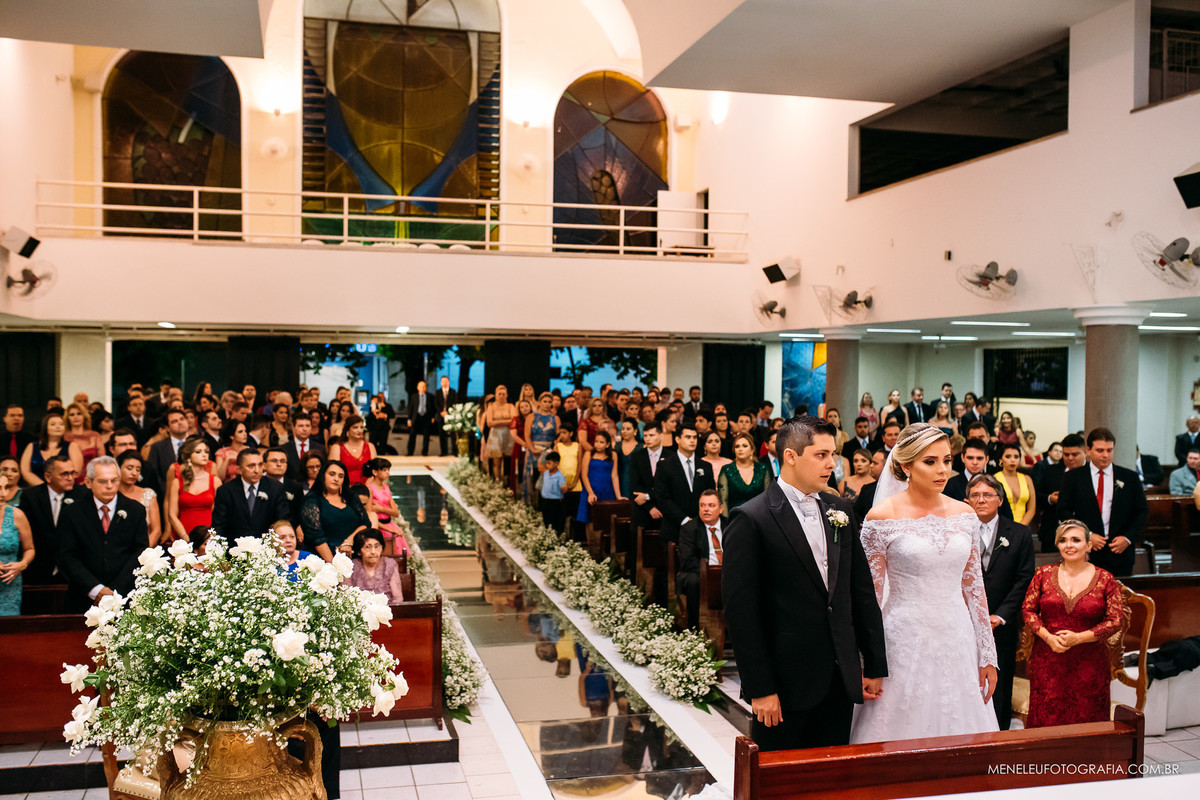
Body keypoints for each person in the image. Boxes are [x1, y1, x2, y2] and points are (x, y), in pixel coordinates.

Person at [723, 415, 887, 750]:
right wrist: (760, 688)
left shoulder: (838, 507)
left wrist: (873, 663)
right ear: (791, 456)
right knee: (780, 781)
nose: (832, 464)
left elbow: (860, 591)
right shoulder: (752, 518)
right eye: (821, 455)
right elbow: (742, 614)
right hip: (784, 682)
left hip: (840, 676)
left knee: (829, 778)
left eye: (833, 454)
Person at [850, 423, 998, 743]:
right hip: (902, 636)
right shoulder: (881, 517)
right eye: (930, 462)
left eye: (946, 460)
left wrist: (987, 654)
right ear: (906, 466)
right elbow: (869, 597)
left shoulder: (965, 515)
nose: (943, 469)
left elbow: (975, 590)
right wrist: (868, 661)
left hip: (957, 635)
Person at [1021, 520, 1125, 728]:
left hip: (1090, 663)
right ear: (1057, 545)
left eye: (1076, 540)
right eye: (1063, 540)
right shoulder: (1042, 574)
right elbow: (1028, 610)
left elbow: (1116, 620)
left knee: (1087, 718)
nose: (1069, 545)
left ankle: (1087, 761)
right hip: (1048, 659)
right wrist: (1048, 637)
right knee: (1047, 718)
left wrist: (1079, 637)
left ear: (1088, 545)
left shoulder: (1105, 578)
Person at [965, 474, 1034, 730]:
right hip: (964, 621)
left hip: (1001, 626)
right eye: (975, 495)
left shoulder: (1018, 533)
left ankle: (999, 735)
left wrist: (1001, 615)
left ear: (1000, 500)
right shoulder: (958, 530)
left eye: (987, 495)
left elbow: (1024, 578)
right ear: (966, 500)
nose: (981, 500)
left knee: (1000, 685)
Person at [56, 456, 149, 612]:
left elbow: (140, 552)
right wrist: (96, 589)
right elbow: (66, 556)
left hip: (125, 597)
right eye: (102, 481)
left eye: (114, 480)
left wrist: (115, 592)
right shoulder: (72, 512)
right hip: (84, 597)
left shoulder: (135, 510)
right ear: (88, 482)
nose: (109, 486)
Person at [1055, 427, 1148, 577]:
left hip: (1120, 553)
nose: (1105, 455)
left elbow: (1141, 511)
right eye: (1100, 451)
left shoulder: (1129, 477)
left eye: (1109, 450)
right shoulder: (1073, 477)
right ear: (1089, 450)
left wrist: (1128, 538)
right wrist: (1086, 535)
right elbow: (1063, 510)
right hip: (1086, 552)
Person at [16, 454, 83, 591]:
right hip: (38, 569)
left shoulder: (82, 495)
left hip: (72, 572)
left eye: (72, 473)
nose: (70, 478)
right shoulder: (31, 497)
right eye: (64, 474)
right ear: (48, 477)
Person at [210, 449, 290, 543]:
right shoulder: (226, 491)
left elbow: (282, 521)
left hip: (266, 549)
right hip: (234, 549)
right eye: (251, 466)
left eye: (260, 465)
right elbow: (219, 526)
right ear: (239, 470)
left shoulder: (275, 488)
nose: (257, 470)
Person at [654, 425, 716, 544]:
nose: (692, 440)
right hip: (673, 528)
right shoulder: (664, 466)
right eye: (688, 437)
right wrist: (684, 520)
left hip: (701, 527)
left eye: (694, 437)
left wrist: (699, 519)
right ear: (677, 439)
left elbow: (711, 494)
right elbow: (662, 498)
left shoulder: (705, 466)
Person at [300, 460, 371, 562]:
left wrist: (349, 541)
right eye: (332, 474)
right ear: (323, 476)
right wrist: (334, 566)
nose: (336, 479)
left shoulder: (351, 497)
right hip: (323, 559)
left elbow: (365, 523)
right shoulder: (312, 500)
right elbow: (317, 538)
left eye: (341, 476)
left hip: (353, 554)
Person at [676, 489, 726, 630]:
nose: (706, 509)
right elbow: (688, 561)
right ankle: (695, 629)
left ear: (721, 508)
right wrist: (711, 571)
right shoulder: (689, 529)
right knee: (694, 581)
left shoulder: (731, 526)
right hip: (699, 573)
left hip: (727, 572)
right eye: (702, 505)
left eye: (711, 505)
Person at [1035, 432, 1086, 550]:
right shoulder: (1051, 471)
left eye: (1075, 454)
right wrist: (1050, 498)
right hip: (1053, 531)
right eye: (1066, 454)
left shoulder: (1091, 473)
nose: (1070, 458)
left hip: (1084, 532)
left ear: (1085, 452)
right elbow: (1037, 495)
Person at [164, 437, 219, 543]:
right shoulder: (177, 482)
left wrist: (209, 536)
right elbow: (172, 514)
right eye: (198, 452)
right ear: (188, 457)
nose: (204, 455)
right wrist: (184, 536)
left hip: (208, 535)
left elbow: (218, 512)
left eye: (206, 452)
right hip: (183, 532)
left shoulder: (215, 481)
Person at [0, 470, 34, 616]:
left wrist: (22, 564)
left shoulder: (17, 515)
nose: (3, 494)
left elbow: (30, 549)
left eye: (6, 487)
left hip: (10, 586)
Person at [21, 411, 84, 486]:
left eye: (61, 424)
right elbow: (25, 471)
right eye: (53, 424)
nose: (58, 427)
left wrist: (55, 487)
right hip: (36, 489)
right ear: (45, 427)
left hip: (64, 488)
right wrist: (44, 487)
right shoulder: (32, 446)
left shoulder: (72, 446)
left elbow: (76, 471)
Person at [344, 529, 405, 604]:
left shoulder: (389, 565)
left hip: (386, 612)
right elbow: (345, 597)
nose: (373, 552)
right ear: (359, 551)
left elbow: (397, 598)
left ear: (382, 548)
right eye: (368, 547)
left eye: (377, 546)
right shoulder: (350, 566)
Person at [116, 451, 163, 547]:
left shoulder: (148, 494)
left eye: (138, 469)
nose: (134, 473)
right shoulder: (111, 494)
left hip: (145, 549)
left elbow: (156, 531)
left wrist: (143, 553)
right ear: (118, 469)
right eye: (129, 468)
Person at [364, 458, 408, 555]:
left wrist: (381, 509)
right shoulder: (370, 489)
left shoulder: (386, 487)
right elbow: (369, 514)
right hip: (378, 525)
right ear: (375, 472)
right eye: (384, 470)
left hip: (389, 523)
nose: (388, 473)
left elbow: (396, 513)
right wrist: (389, 528)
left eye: (388, 470)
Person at [577, 431, 622, 524]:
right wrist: (590, 493)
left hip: (607, 490)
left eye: (601, 442)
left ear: (607, 444)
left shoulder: (613, 455)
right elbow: (584, 475)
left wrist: (618, 496)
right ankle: (591, 539)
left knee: (606, 521)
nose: (598, 444)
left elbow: (614, 476)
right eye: (596, 441)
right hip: (591, 490)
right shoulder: (588, 454)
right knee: (589, 520)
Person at [628, 421, 664, 535]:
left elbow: (670, 487)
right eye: (646, 436)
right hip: (642, 508)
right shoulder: (637, 456)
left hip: (664, 508)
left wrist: (648, 496)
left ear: (660, 435)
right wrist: (650, 507)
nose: (648, 439)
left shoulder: (671, 456)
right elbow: (635, 485)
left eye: (651, 435)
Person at [718, 432, 769, 512]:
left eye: (744, 446)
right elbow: (723, 500)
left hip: (758, 518)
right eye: (737, 446)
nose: (740, 449)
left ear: (752, 450)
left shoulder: (762, 469)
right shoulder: (726, 470)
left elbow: (767, 498)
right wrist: (727, 523)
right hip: (734, 519)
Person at [146, 409, 190, 496]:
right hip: (167, 494)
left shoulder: (199, 443)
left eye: (182, 419)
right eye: (174, 421)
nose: (180, 422)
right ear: (167, 428)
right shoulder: (157, 447)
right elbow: (154, 474)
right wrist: (168, 490)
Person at [996, 442, 1036, 526]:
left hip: (1023, 527)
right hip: (1001, 526)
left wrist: (1020, 528)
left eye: (1016, 457)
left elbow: (1031, 509)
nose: (1013, 460)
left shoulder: (1027, 479)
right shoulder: (994, 479)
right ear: (1000, 460)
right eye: (1008, 456)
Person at [328, 416, 374, 486]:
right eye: (355, 427)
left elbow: (376, 471)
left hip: (367, 489)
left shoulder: (370, 446)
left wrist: (367, 488)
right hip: (343, 488)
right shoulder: (337, 447)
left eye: (361, 427)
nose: (359, 430)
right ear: (347, 430)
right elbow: (333, 473)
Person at [64, 401, 104, 473]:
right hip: (69, 477)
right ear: (67, 418)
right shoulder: (64, 437)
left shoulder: (95, 436)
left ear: (84, 416)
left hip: (92, 476)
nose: (76, 417)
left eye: (79, 414)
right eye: (72, 415)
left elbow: (102, 461)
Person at [539, 452, 568, 533]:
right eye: (546, 463)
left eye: (549, 463)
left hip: (555, 502)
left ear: (556, 463)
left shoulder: (560, 476)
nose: (547, 465)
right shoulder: (545, 473)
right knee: (546, 521)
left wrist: (564, 488)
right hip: (545, 500)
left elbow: (564, 487)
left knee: (555, 522)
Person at [214, 419, 249, 483]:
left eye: (245, 431)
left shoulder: (249, 451)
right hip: (228, 486)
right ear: (232, 436)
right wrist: (227, 459)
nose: (245, 434)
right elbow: (220, 477)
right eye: (240, 432)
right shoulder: (222, 452)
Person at [407, 380, 436, 457]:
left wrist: (433, 417)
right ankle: (410, 452)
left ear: (426, 387)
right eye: (421, 386)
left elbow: (433, 408)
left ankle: (425, 452)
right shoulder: (414, 396)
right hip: (416, 417)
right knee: (412, 435)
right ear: (417, 387)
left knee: (426, 436)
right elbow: (410, 408)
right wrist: (409, 419)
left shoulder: (430, 396)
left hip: (426, 417)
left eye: (424, 386)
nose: (422, 388)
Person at [615, 419, 640, 499]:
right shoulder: (616, 446)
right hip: (617, 483)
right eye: (623, 429)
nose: (624, 431)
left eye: (628, 429)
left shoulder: (642, 447)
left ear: (635, 431)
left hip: (636, 484)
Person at [435, 376, 458, 455]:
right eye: (443, 381)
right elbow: (436, 404)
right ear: (441, 383)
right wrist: (441, 412)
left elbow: (455, 403)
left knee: (453, 434)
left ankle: (455, 451)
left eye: (446, 381)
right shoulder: (438, 392)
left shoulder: (453, 392)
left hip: (451, 415)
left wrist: (448, 412)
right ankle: (443, 452)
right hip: (441, 416)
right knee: (442, 435)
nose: (444, 383)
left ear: (448, 382)